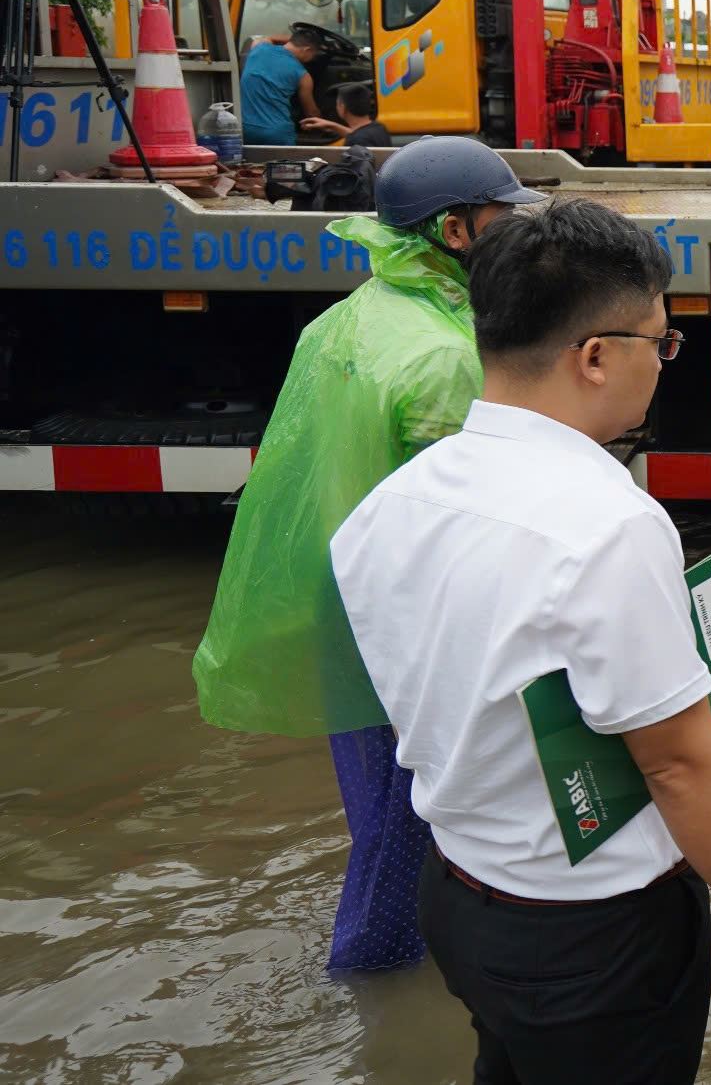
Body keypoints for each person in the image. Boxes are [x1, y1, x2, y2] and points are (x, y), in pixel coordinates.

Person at [333, 200, 711, 1082]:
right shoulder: (609, 523)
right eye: (661, 341)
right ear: (596, 356)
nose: (665, 362)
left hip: (458, 895)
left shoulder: (388, 505)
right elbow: (678, 762)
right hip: (593, 934)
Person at [191, 138, 543, 972]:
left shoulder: (347, 318)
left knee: (378, 817)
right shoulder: (446, 357)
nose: (517, 234)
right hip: (407, 638)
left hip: (341, 605)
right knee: (408, 840)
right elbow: (461, 535)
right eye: (502, 218)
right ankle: (370, 998)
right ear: (456, 231)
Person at [240, 26, 327, 146]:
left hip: (245, 129)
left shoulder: (259, 48)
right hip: (277, 134)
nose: (313, 58)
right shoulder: (303, 75)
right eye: (314, 54)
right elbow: (311, 113)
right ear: (307, 50)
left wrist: (295, 39)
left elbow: (269, 37)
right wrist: (327, 128)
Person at [303, 81, 390, 147]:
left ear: (343, 107)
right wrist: (332, 126)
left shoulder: (357, 141)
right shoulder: (379, 127)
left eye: (337, 103)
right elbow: (358, 134)